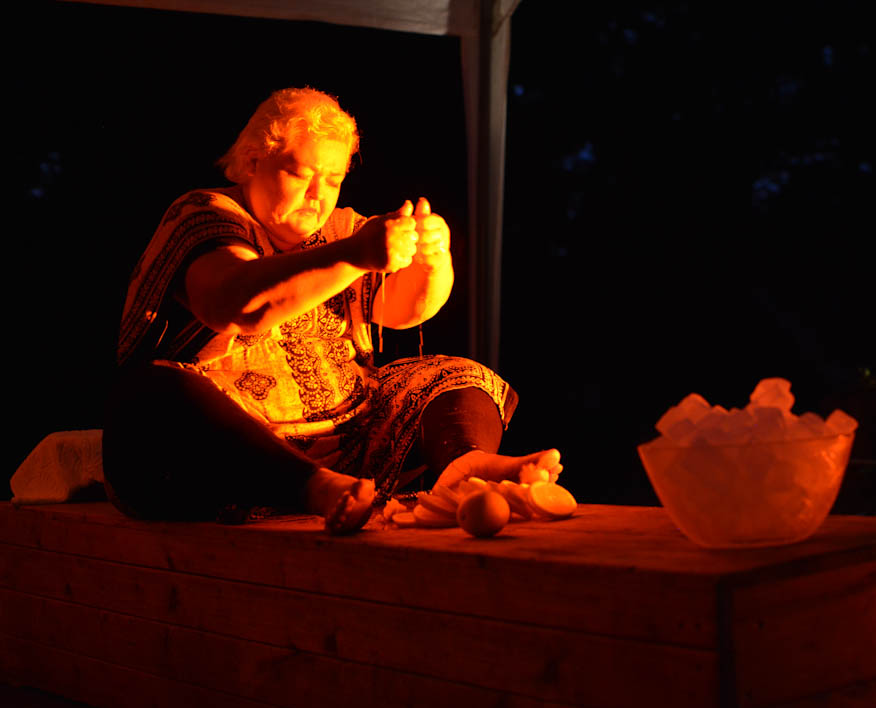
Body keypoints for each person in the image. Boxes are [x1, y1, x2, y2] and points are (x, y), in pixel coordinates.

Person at [103, 87, 560, 534]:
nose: (318, 195)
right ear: (251, 163)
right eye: (301, 174)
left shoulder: (343, 229)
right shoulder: (205, 214)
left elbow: (405, 309)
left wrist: (431, 260)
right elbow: (237, 305)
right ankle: (313, 488)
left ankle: (464, 464)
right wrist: (355, 255)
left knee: (451, 373)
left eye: (333, 179)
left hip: (349, 442)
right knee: (153, 392)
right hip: (229, 453)